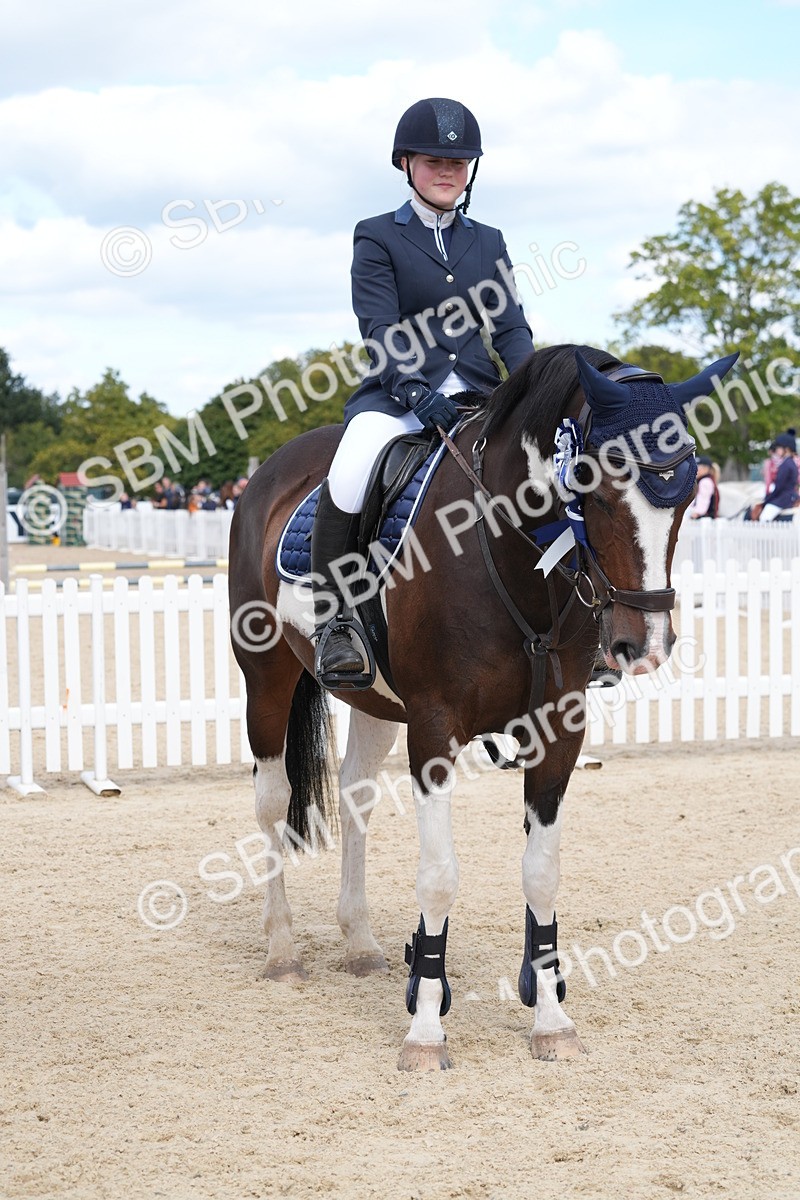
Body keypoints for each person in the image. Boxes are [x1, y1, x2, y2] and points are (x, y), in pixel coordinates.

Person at [311, 97, 535, 684]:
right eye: (435, 160)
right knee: (352, 468)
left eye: (460, 163)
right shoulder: (378, 236)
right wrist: (411, 389)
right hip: (400, 398)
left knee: (547, 471)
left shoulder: (488, 241)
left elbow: (509, 327)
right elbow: (379, 327)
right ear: (405, 163)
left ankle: (572, 618)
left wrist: (534, 391)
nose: (448, 172)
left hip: (482, 396)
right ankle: (336, 621)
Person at [757, 431, 799, 521]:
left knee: (763, 518)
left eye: (779, 448)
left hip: (783, 499)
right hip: (788, 496)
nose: (777, 450)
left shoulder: (786, 465)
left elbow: (779, 487)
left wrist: (768, 499)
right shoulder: (790, 463)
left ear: (786, 449)